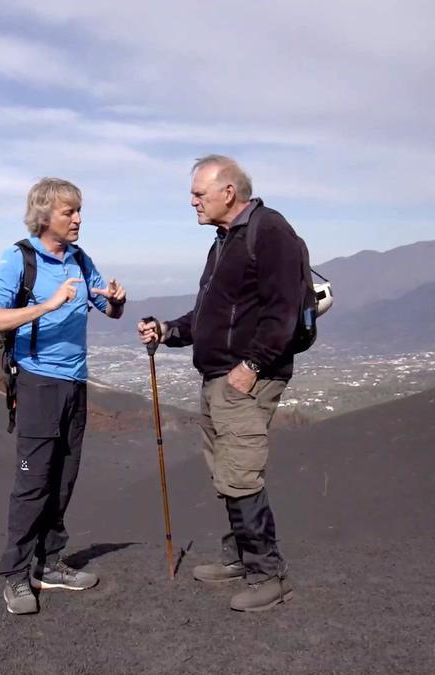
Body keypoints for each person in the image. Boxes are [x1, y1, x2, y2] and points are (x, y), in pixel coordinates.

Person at [137, 155, 304, 612]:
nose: (192, 201)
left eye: (198, 193)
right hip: (219, 378)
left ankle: (269, 575)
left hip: (245, 379)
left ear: (228, 192)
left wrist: (250, 366)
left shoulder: (269, 232)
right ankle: (239, 558)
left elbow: (283, 311)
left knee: (240, 472)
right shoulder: (227, 240)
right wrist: (169, 330)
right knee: (226, 472)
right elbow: (213, 314)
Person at [0, 177, 126, 615]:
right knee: (33, 482)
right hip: (37, 384)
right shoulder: (19, 259)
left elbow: (108, 308)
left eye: (80, 211)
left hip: (75, 384)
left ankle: (50, 563)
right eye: (69, 212)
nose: (79, 219)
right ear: (45, 216)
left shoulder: (80, 259)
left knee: (64, 476)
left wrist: (117, 300)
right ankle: (16, 575)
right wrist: (48, 305)